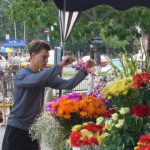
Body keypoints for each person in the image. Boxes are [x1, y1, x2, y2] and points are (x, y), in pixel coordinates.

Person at [2, 40, 96, 150]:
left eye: (48, 57)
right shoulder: (22, 74)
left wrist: (84, 70)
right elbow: (37, 79)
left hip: (34, 129)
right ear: (33, 55)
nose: (46, 61)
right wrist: (59, 65)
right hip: (17, 127)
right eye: (43, 57)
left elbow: (68, 84)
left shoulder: (43, 76)